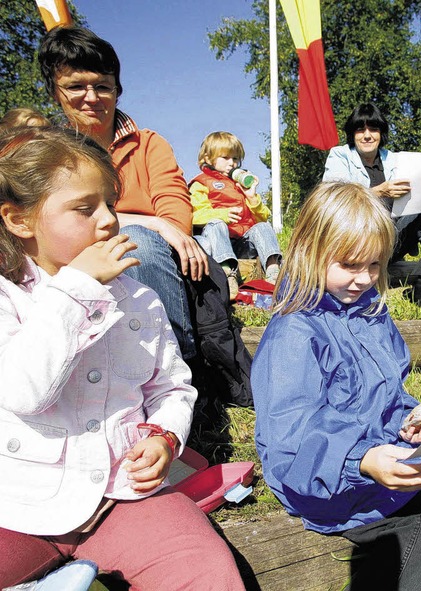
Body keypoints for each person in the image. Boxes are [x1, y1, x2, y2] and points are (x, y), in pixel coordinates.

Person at [0, 126, 244, 590]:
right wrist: (77, 289)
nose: (109, 220)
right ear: (19, 220)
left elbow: (171, 385)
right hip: (17, 503)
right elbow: (23, 391)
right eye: (83, 208)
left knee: (207, 574)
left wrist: (165, 437)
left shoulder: (141, 300)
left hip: (123, 493)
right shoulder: (8, 297)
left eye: (110, 203)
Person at [252, 181, 421, 591]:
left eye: (375, 266)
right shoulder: (294, 333)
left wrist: (411, 421)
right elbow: (290, 440)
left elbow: (388, 397)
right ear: (311, 252)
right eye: (349, 265)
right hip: (325, 480)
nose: (364, 279)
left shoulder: (369, 315)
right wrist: (359, 461)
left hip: (378, 459)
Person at [38, 25, 208, 361]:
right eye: (76, 86)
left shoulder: (148, 145)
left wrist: (148, 227)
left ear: (118, 90)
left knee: (136, 241)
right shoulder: (42, 152)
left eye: (103, 86)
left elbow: (175, 220)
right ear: (54, 91)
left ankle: (175, 367)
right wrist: (149, 222)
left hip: (145, 262)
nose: (91, 97)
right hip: (67, 263)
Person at [323, 103, 421, 262]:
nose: (367, 135)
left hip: (392, 236)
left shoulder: (394, 158)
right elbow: (332, 200)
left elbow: (414, 195)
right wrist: (378, 192)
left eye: (373, 129)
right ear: (352, 134)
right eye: (360, 130)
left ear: (381, 133)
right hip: (356, 238)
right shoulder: (340, 156)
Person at [189, 131, 282, 299]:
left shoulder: (240, 184)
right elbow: (195, 215)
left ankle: (274, 271)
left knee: (262, 227)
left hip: (242, 242)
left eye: (235, 159)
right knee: (216, 224)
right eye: (225, 158)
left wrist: (252, 197)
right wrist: (221, 214)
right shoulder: (201, 183)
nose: (232, 163)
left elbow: (262, 218)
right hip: (218, 243)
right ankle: (227, 274)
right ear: (208, 158)